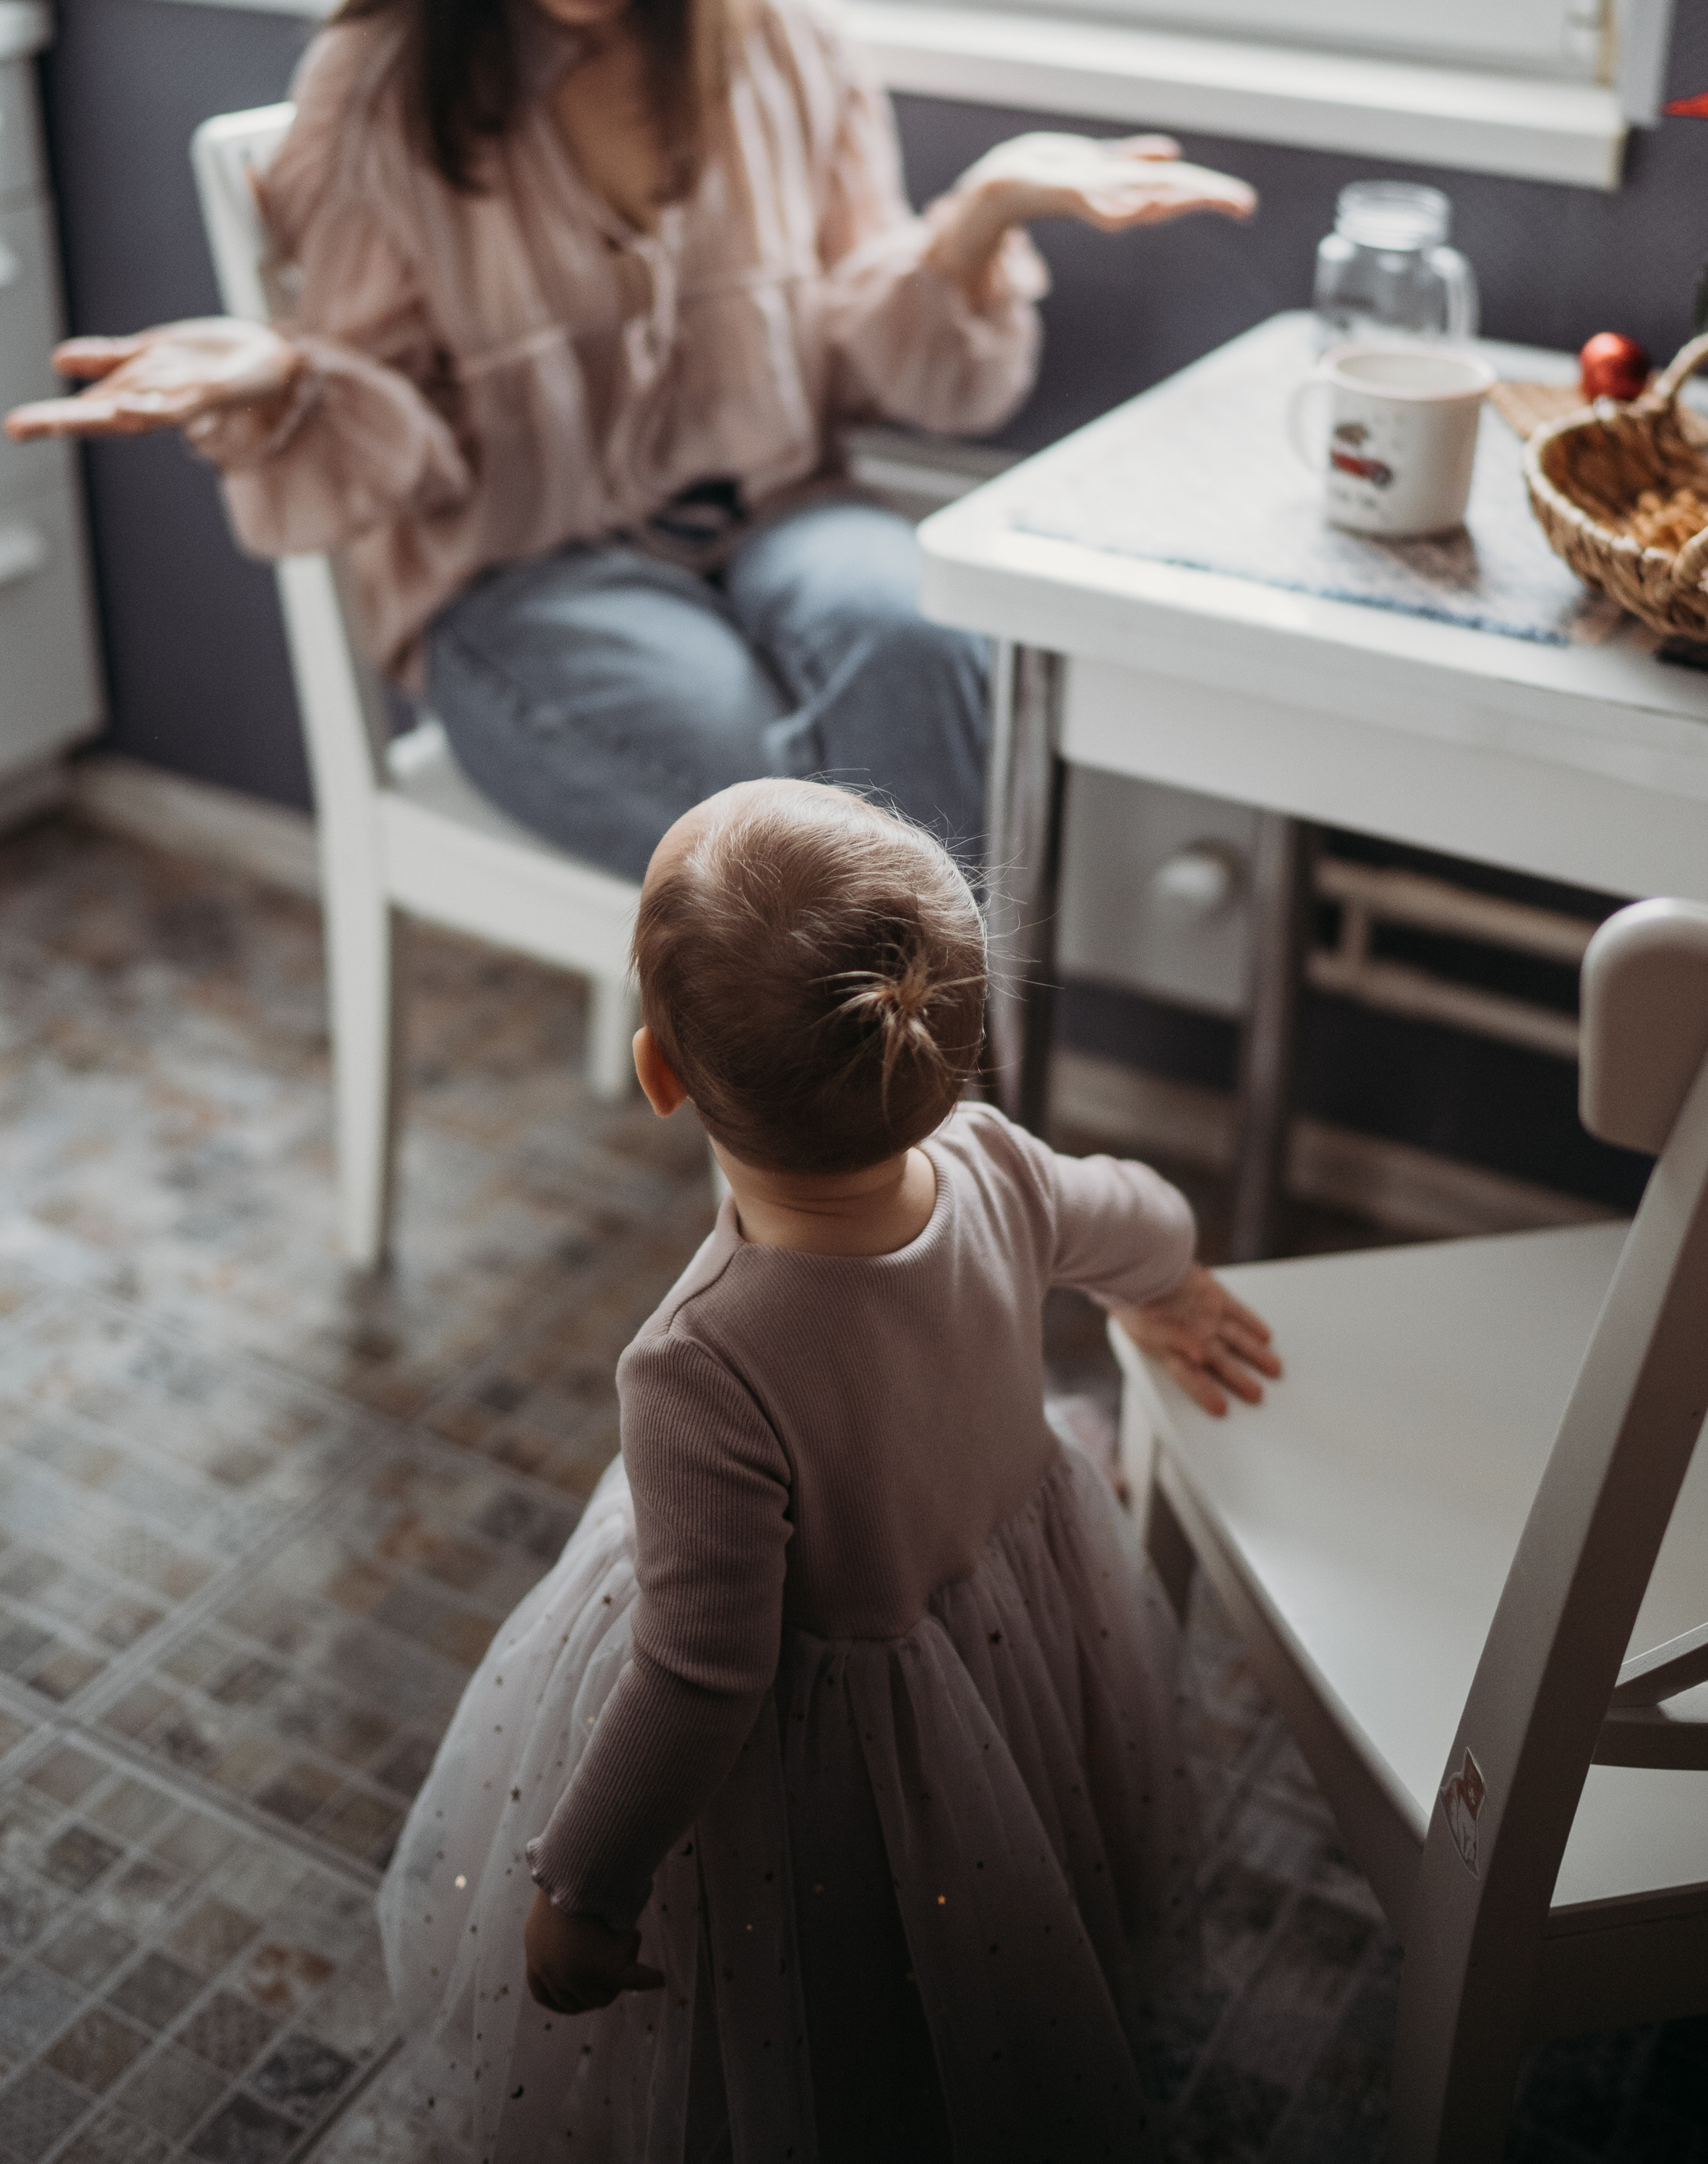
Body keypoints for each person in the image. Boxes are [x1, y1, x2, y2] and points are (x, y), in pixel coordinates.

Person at [6, 0, 1256, 877]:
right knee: (760, 805)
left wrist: (982, 221)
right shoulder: (379, 88)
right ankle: (926, 1071)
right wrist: (285, 382)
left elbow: (883, 360)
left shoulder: (783, 36)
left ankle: (905, 1071)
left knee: (925, 640)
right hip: (522, 578)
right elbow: (405, 448)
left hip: (785, 513)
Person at [377, 775, 1282, 2160]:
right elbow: (1139, 1211)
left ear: (661, 1076)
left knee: (825, 1983)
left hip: (825, 1748)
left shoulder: (697, 1366)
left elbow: (699, 1676)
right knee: (980, 1908)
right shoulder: (995, 1163)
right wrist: (1162, 1285)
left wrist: (589, 1885)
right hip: (1002, 1632)